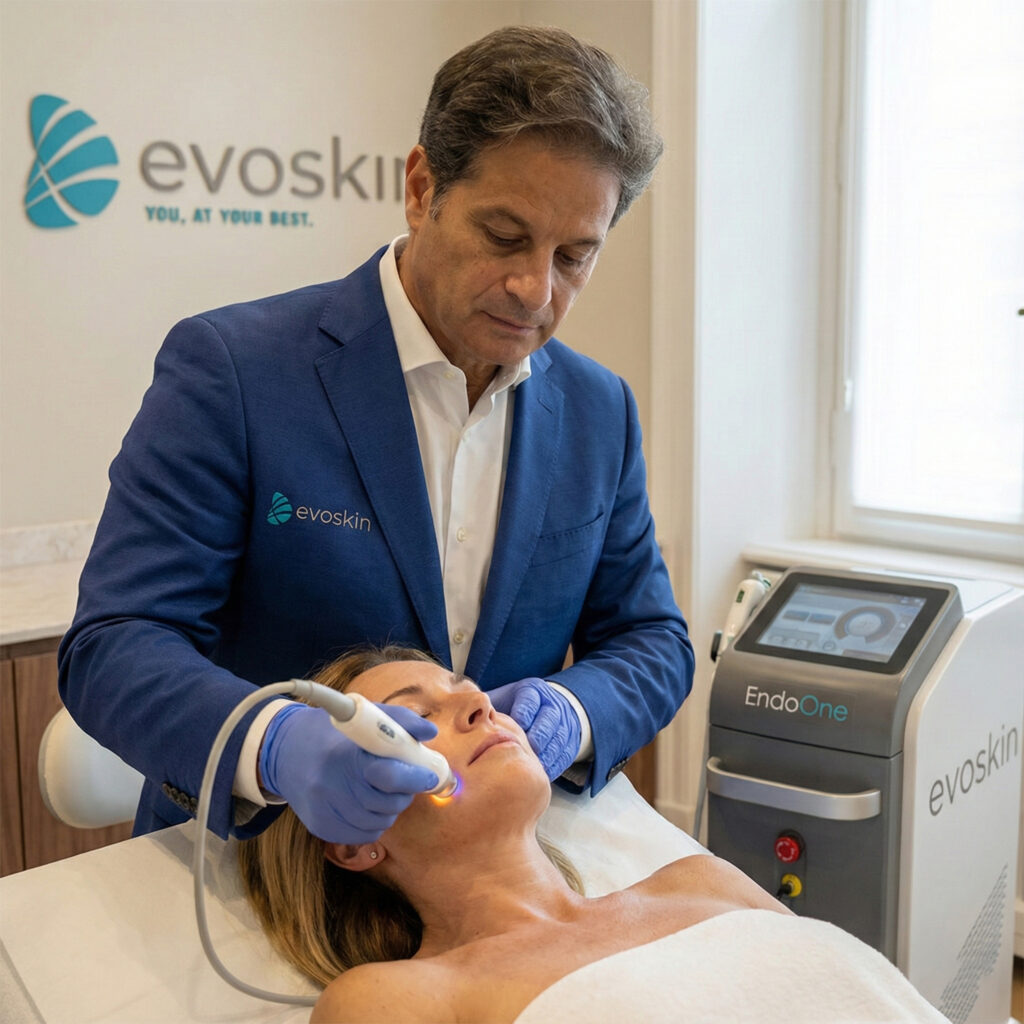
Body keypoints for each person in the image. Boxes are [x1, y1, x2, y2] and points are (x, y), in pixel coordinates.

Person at [58, 25, 694, 848]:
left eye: (575, 256)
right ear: (423, 188)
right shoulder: (237, 372)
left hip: (478, 865)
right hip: (266, 862)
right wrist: (274, 744)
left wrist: (571, 713)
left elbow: (652, 640)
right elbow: (115, 643)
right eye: (505, 236)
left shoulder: (599, 410)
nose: (535, 288)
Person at [239, 648, 949, 1024]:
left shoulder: (697, 880)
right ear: (353, 837)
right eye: (411, 720)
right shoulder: (397, 1000)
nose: (479, 703)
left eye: (465, 689)